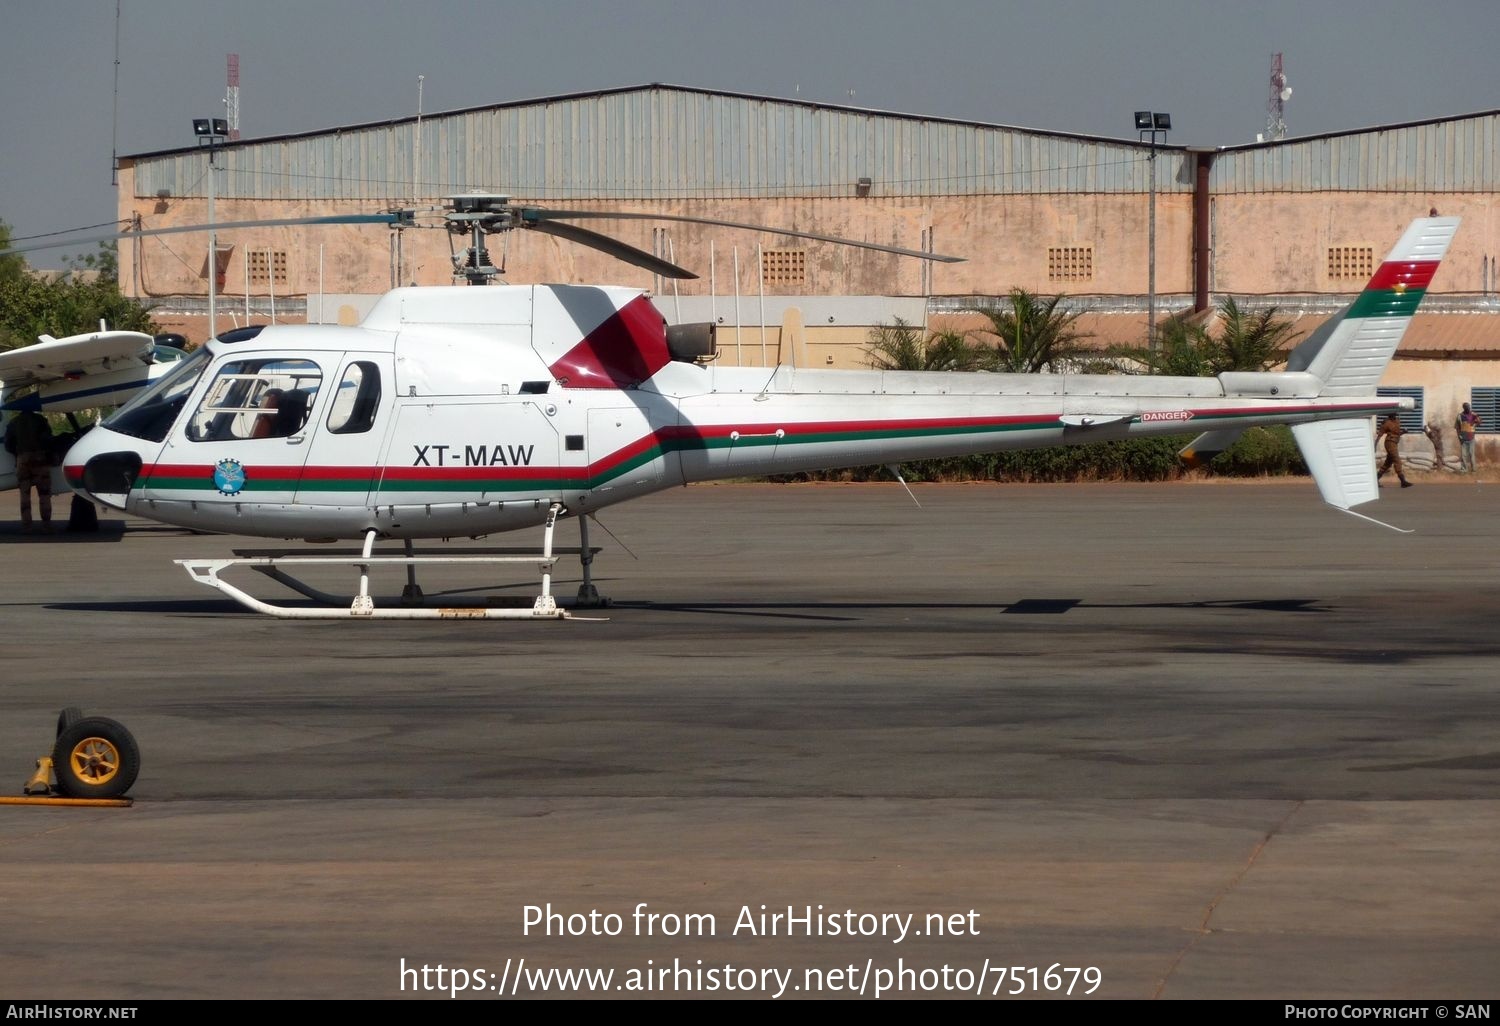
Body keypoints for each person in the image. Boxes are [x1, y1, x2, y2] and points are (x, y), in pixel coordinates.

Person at [4, 408, 56, 532]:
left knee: (24, 494)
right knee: (44, 494)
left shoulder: (14, 422)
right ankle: (46, 525)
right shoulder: (40, 420)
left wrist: (18, 454)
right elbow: (48, 439)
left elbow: (8, 444)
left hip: (22, 459)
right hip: (40, 458)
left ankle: (27, 526)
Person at [1375, 412, 1412, 488]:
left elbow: (1397, 434)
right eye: (1393, 413)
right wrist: (1375, 445)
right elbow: (1379, 435)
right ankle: (1403, 481)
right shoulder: (1386, 423)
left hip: (1394, 443)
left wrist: (1403, 432)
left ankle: (1375, 479)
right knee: (1397, 460)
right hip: (1390, 443)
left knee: (1387, 464)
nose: (1395, 415)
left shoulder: (1397, 421)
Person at [1455, 401, 1480, 473]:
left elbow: (1479, 422)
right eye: (1467, 407)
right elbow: (1457, 427)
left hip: (1471, 438)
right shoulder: (1460, 416)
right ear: (1464, 408)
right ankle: (1464, 469)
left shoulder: (1473, 415)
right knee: (1463, 455)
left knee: (1472, 454)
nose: (1469, 408)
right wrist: (1459, 436)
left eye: (1469, 407)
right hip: (1463, 438)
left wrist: (1477, 416)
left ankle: (1474, 470)